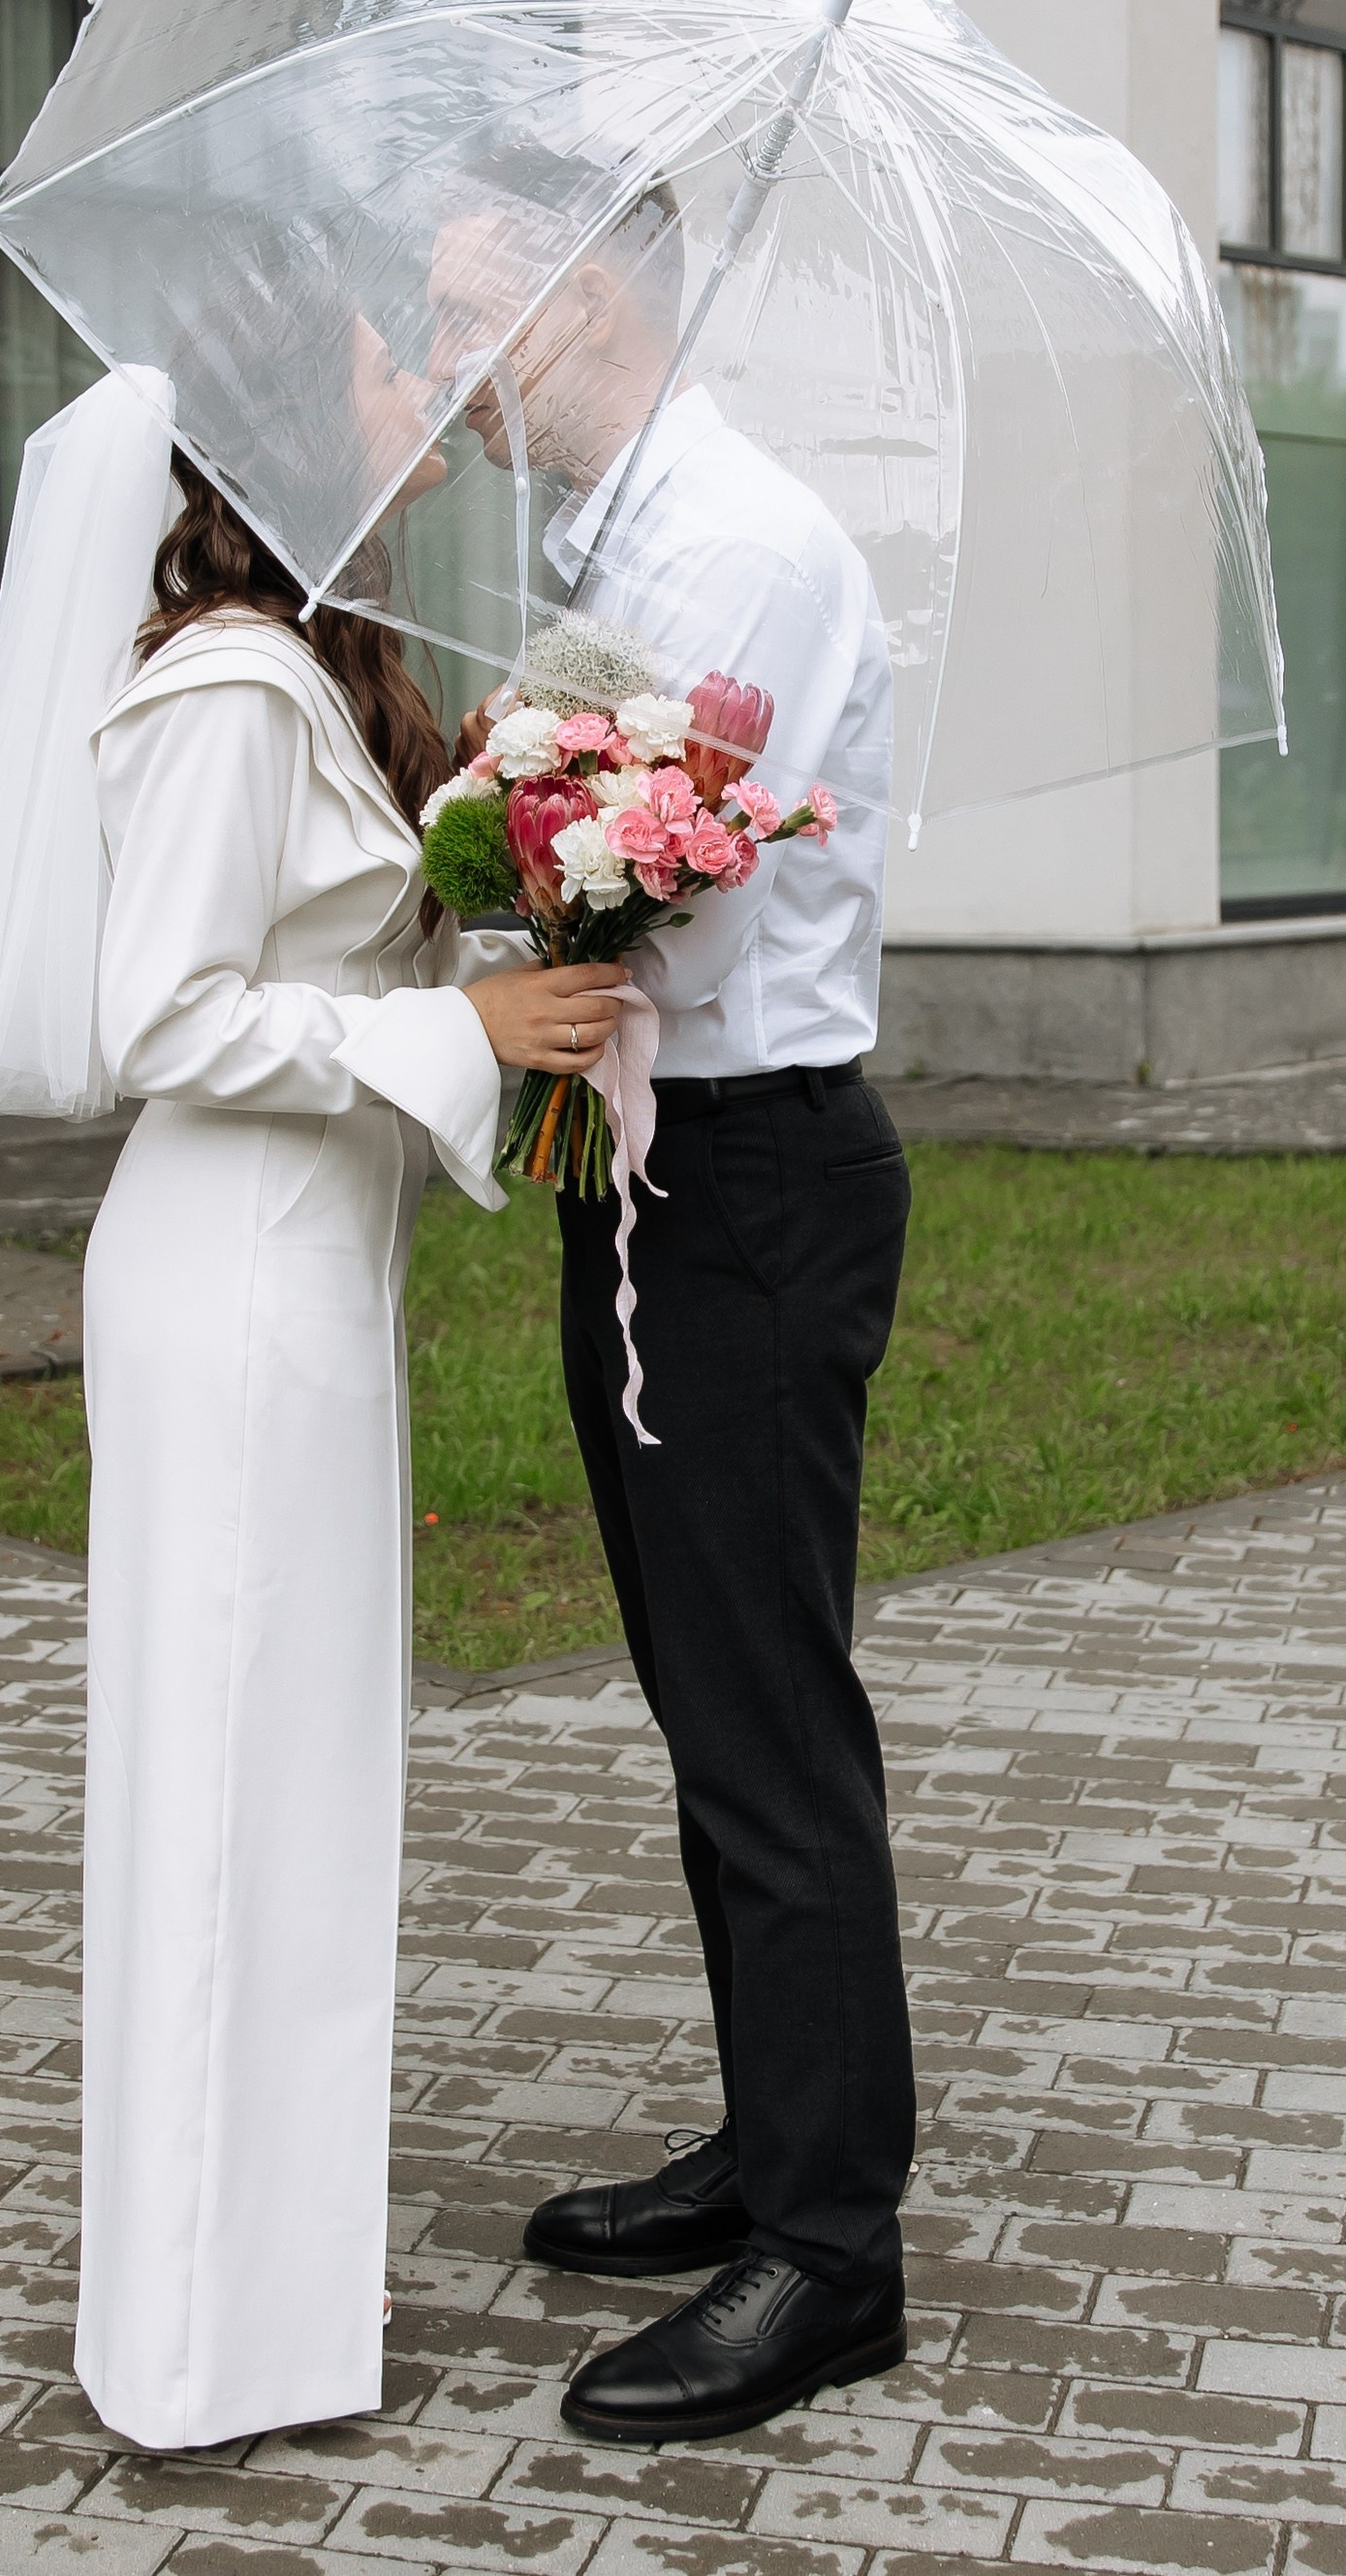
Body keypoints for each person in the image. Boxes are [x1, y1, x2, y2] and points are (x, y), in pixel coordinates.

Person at [65, 318, 623, 2450]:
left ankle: (253, 2318)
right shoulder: (222, 685)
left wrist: (504, 848)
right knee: (225, 1802)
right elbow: (166, 1017)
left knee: (285, 1801)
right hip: (231, 1280)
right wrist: (456, 1040)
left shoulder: (313, 673)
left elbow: (338, 962)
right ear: (303, 428)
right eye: (387, 368)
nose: (426, 395)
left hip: (307, 1278)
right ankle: (200, 2345)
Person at [428, 182, 916, 2444]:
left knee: (765, 1716)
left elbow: (678, 925)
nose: (452, 369)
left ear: (584, 295)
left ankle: (832, 2247)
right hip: (657, 1172)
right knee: (707, 1698)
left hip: (749, 1174)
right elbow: (593, 862)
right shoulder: (625, 543)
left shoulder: (736, 542)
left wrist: (514, 881)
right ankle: (768, 2139)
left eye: (467, 317)